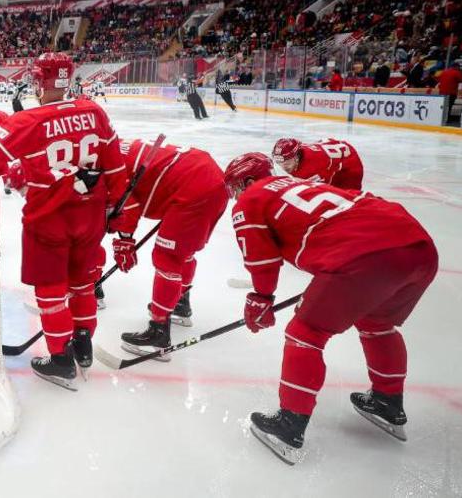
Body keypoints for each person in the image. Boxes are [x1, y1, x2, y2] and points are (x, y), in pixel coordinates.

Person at [223, 153, 437, 465]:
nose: (235, 198)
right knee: (377, 324)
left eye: (235, 189)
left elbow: (261, 259)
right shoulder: (299, 185)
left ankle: (288, 426)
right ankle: (388, 402)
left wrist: (261, 298)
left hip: (366, 255)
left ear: (248, 181)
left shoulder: (251, 199)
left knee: (305, 332)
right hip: (419, 247)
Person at [0, 52, 129, 390]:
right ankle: (82, 346)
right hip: (90, 216)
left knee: (52, 290)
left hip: (49, 218)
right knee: (83, 283)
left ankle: (60, 360)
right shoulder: (93, 111)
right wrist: (117, 210)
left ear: (39, 81)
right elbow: (115, 165)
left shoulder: (27, 121)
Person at [107, 140, 228, 356]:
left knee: (167, 256)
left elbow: (129, 205)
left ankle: (158, 333)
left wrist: (125, 241)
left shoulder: (104, 166)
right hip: (205, 177)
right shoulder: (112, 148)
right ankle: (179, 303)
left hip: (193, 188)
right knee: (183, 252)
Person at [271, 138, 364, 191]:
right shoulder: (297, 154)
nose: (283, 167)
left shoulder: (312, 167)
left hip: (350, 164)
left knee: (347, 199)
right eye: (279, 163)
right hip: (331, 151)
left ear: (296, 157)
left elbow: (323, 191)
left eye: (287, 162)